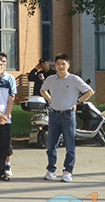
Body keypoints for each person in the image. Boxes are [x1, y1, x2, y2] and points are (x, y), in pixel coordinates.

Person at [40, 54, 93, 182]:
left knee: (69, 145)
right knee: (51, 145)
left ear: (68, 65)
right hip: (54, 115)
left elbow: (89, 92)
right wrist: (50, 100)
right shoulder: (50, 79)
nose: (60, 66)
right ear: (55, 66)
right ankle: (51, 170)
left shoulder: (74, 79)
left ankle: (68, 171)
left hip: (68, 115)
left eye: (63, 64)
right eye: (58, 64)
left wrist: (77, 102)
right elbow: (43, 90)